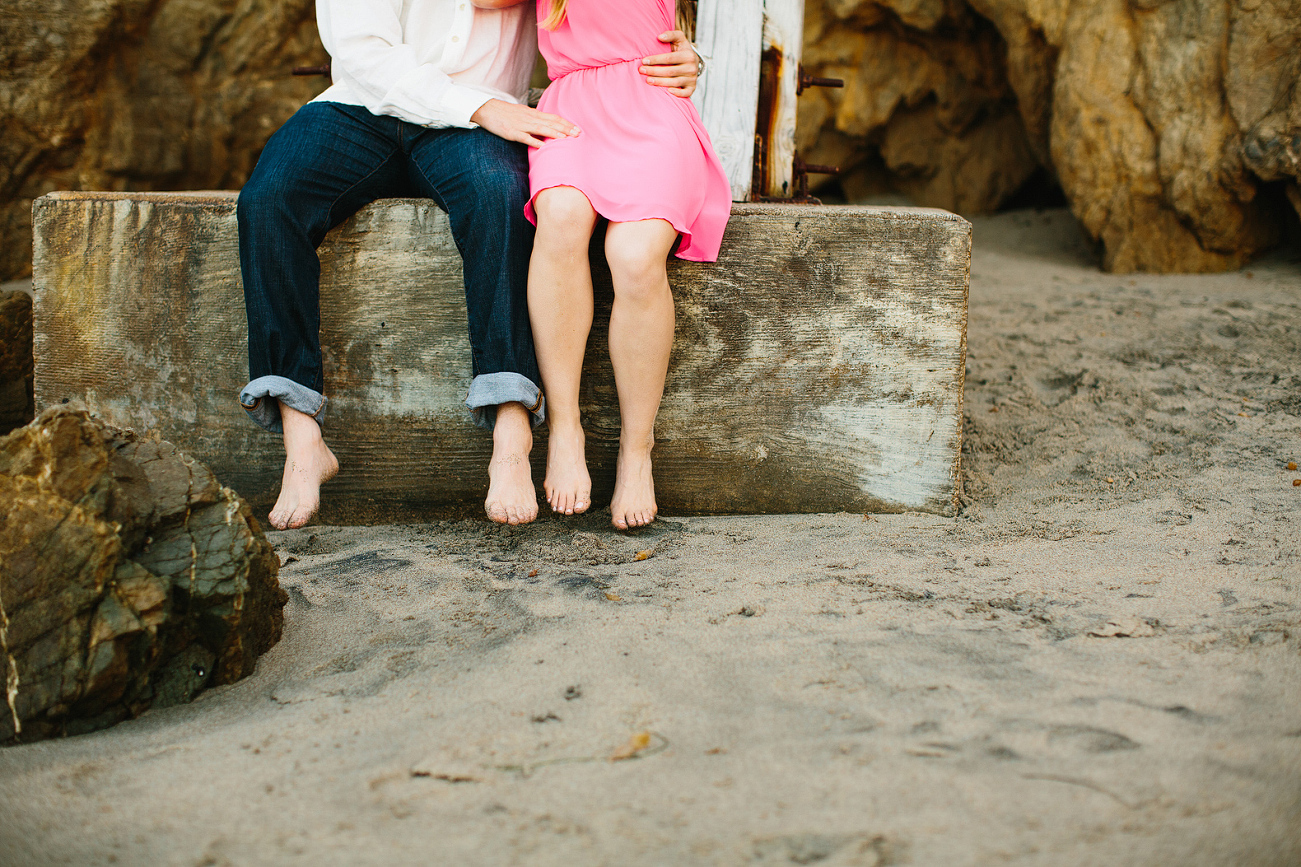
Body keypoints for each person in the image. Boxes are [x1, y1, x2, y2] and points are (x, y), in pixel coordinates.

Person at [236, 0, 702, 530]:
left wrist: (680, 52)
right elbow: (364, 54)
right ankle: (302, 439)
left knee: (502, 197)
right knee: (268, 199)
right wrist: (478, 107)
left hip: (479, 122)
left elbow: (605, 19)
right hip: (363, 107)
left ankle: (511, 430)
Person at [509, 0, 731, 529]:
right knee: (560, 218)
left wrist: (697, 55)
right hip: (573, 105)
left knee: (633, 258)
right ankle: (566, 426)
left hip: (650, 100)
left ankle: (637, 450)